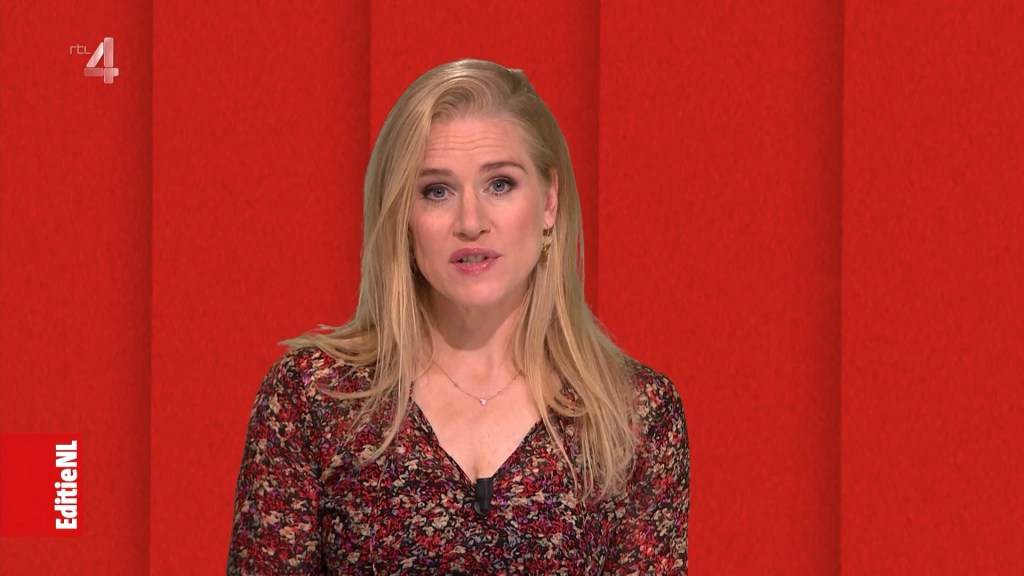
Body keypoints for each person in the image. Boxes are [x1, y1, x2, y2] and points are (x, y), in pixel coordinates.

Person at [227, 58, 689, 574]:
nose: (470, 221)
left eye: (500, 184)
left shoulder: (633, 413)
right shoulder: (313, 399)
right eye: (437, 191)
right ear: (403, 218)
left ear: (549, 202)